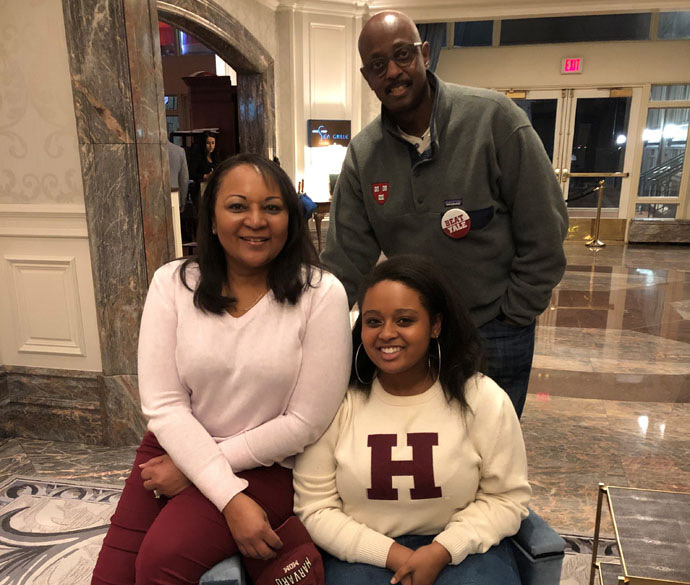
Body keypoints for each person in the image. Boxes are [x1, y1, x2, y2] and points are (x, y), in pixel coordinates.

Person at [91, 154, 352, 585]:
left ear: (291, 218)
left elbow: (305, 422)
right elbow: (164, 405)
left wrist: (200, 474)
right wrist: (213, 480)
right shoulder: (173, 283)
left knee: (160, 561)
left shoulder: (321, 294)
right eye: (237, 206)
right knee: (112, 575)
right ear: (212, 220)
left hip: (270, 466)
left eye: (272, 207)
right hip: (172, 447)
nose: (256, 220)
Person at [321, 10, 569, 418]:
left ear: (425, 53)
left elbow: (545, 230)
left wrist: (515, 314)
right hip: (411, 335)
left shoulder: (495, 120)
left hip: (496, 329)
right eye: (379, 65)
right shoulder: (364, 155)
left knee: (491, 450)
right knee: (428, 449)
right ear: (368, 77)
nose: (394, 72)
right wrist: (316, 327)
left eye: (403, 55)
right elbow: (344, 262)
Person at [293, 255, 531, 585]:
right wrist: (395, 556)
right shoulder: (335, 402)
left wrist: (442, 550)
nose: (386, 334)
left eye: (404, 320)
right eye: (373, 321)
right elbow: (315, 508)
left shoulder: (483, 399)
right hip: (361, 553)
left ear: (435, 325)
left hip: (463, 552)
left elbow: (506, 499)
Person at [166, 136, 189, 209]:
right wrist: (183, 200)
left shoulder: (147, 152)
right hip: (174, 197)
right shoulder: (179, 151)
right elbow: (184, 179)